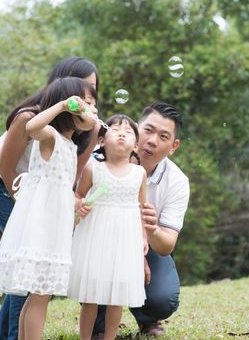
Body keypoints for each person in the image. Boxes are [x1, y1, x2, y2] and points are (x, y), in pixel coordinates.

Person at [0, 57, 99, 340]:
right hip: (7, 184)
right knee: (29, 275)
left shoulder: (74, 139)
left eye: (94, 96)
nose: (92, 107)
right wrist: (29, 213)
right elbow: (9, 170)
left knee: (35, 285)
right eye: (84, 98)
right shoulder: (34, 122)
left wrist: (71, 204)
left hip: (49, 207)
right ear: (65, 93)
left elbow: (70, 179)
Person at [92, 102, 190, 338]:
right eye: (148, 130)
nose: (152, 141)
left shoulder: (177, 181)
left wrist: (152, 230)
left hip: (148, 246)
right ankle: (99, 324)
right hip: (101, 239)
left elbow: (167, 245)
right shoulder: (99, 160)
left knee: (162, 299)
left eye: (163, 136)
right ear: (137, 129)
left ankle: (148, 319)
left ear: (173, 146)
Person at [68, 114, 148, 340]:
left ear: (136, 145)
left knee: (117, 297)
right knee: (91, 295)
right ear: (102, 141)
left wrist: (143, 237)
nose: (121, 133)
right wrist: (79, 204)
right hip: (95, 236)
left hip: (125, 238)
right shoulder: (94, 168)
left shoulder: (139, 173)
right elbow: (78, 194)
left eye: (128, 131)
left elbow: (142, 208)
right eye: (114, 129)